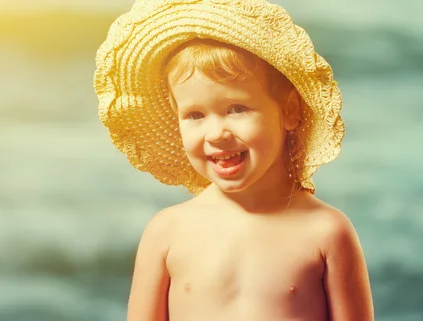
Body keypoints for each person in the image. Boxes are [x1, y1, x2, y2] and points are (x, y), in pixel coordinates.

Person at [93, 0, 374, 320]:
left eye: (237, 109)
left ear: (290, 111)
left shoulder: (327, 232)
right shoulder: (167, 232)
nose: (216, 133)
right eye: (195, 115)